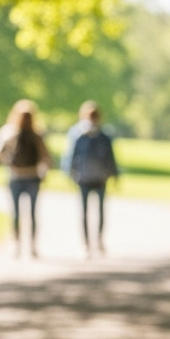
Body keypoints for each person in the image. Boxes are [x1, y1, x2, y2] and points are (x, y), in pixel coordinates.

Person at [0, 99, 51, 258]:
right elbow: (46, 157)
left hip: (17, 176)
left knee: (18, 213)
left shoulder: (10, 132)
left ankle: (20, 244)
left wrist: (8, 161)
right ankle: (29, 245)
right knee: (29, 214)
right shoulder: (34, 134)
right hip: (29, 176)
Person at [63, 100, 120, 257]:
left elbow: (110, 157)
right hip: (87, 179)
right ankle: (88, 243)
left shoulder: (102, 135)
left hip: (96, 178)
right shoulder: (81, 134)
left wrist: (114, 174)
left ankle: (96, 242)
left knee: (95, 212)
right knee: (87, 212)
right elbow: (71, 156)